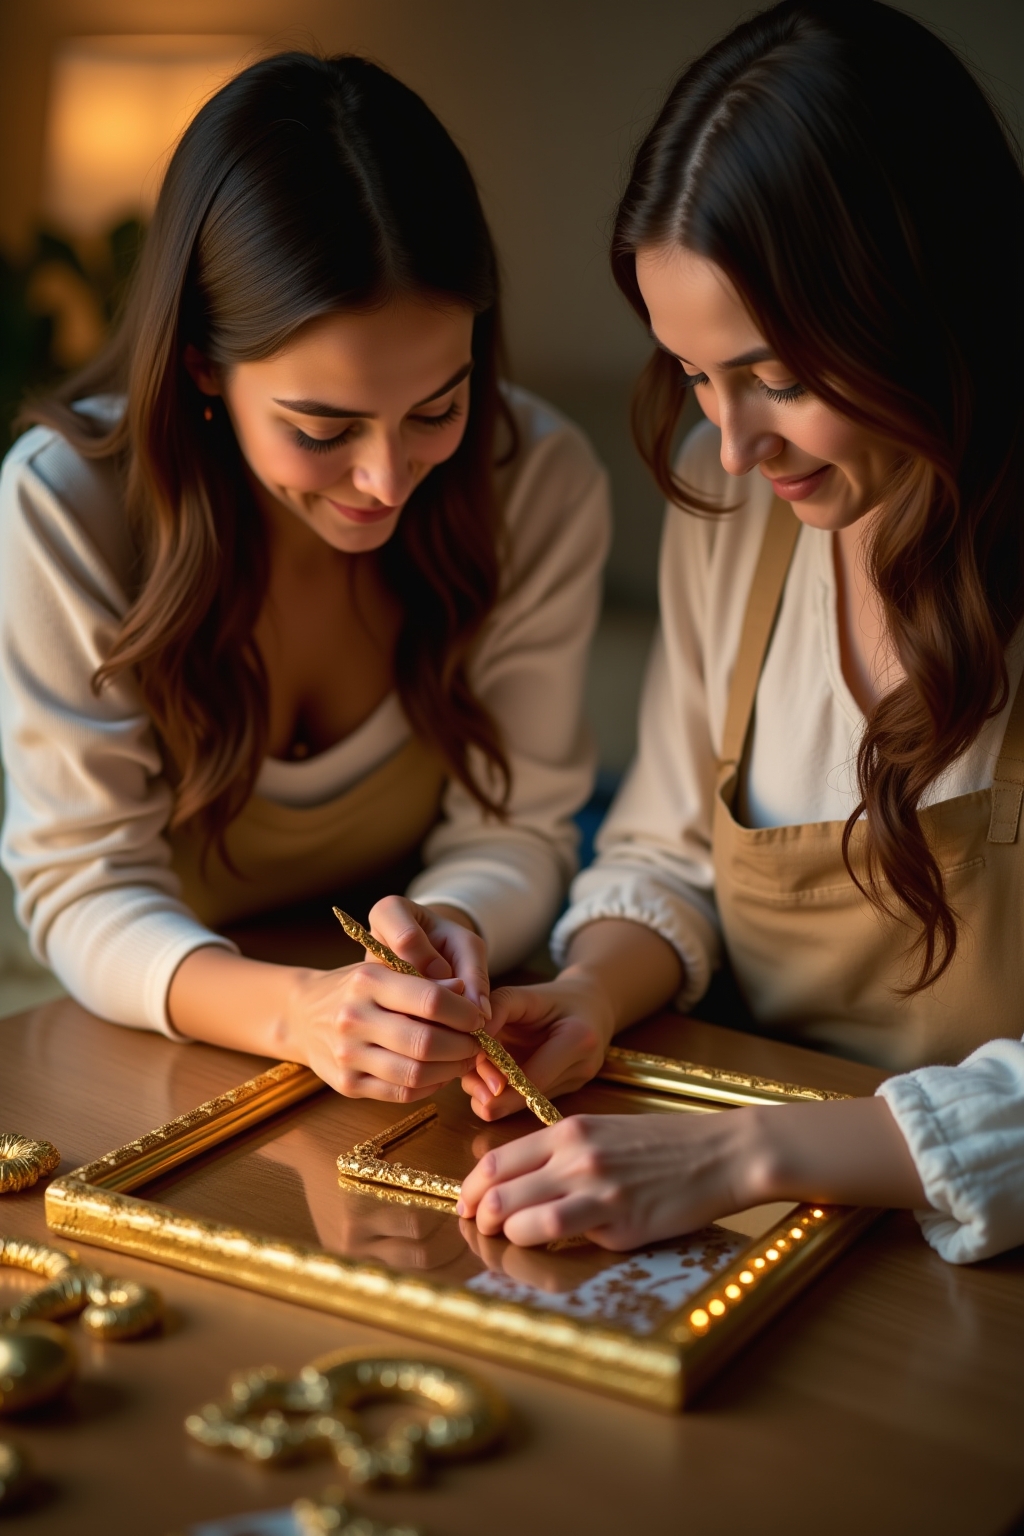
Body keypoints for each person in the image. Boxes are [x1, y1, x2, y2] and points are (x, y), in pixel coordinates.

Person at [457, 0, 1024, 1265]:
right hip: (749, 1216)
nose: (730, 443)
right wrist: (590, 994)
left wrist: (741, 1156)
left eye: (775, 377)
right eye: (696, 376)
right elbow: (663, 849)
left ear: (923, 310)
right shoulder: (734, 508)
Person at [0, 53, 609, 1104]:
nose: (385, 480)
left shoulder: (534, 481)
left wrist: (451, 931)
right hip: (108, 1023)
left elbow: (516, 825)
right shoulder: (67, 507)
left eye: (437, 409)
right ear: (201, 364)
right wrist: (296, 1013)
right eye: (321, 428)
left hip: (368, 1051)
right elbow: (84, 885)